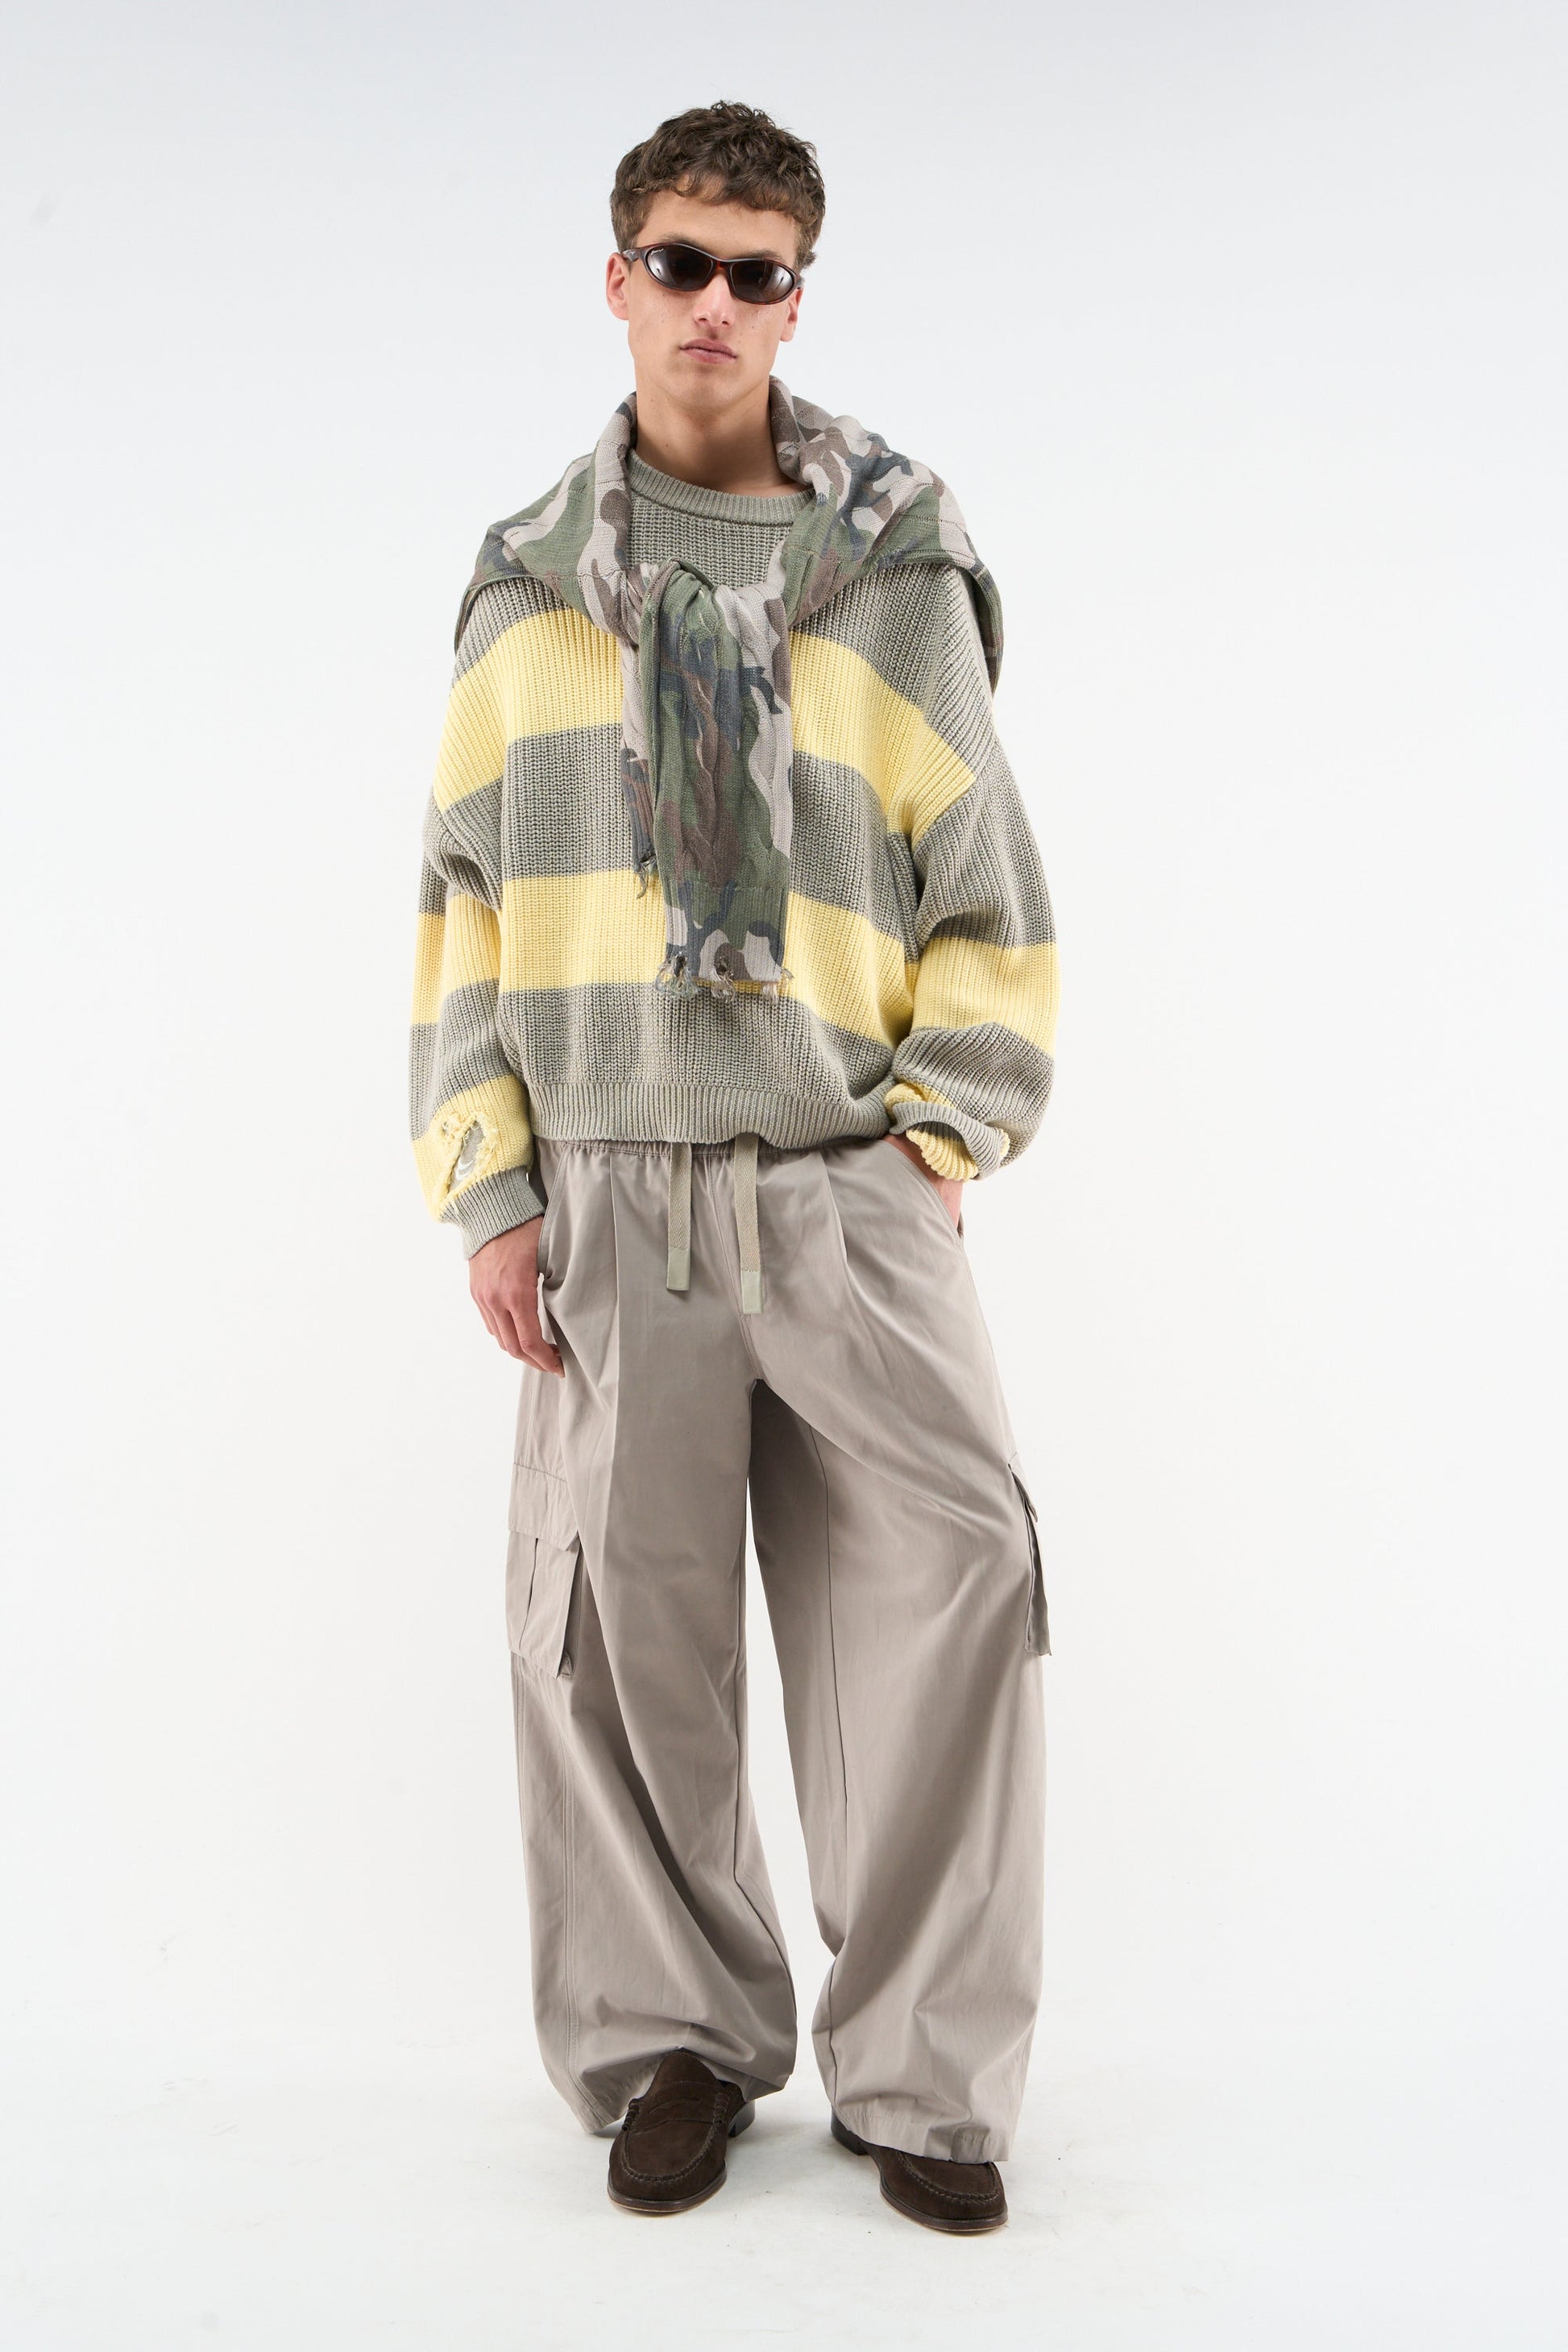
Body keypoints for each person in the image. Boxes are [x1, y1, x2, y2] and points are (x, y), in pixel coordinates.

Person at [409, 99, 1058, 2234]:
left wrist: (943, 1132)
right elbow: (463, 902)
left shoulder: (897, 577)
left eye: (753, 272)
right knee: (617, 1637)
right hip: (610, 1183)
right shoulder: (526, 587)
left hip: (842, 1177)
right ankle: (672, 2044)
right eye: (678, 262)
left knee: (947, 1594)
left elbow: (988, 887)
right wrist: (491, 1183)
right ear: (618, 281)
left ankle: (923, 2077)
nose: (712, 303)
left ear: (796, 298)